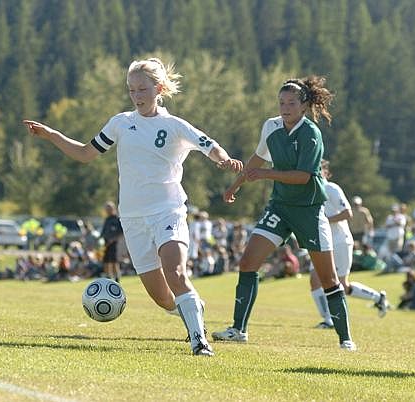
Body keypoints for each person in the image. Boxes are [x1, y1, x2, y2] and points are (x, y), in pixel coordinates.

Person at [23, 57, 243, 356]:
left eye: (142, 89)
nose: (137, 96)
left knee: (176, 272)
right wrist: (51, 135)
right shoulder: (121, 123)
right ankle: (193, 310)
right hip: (132, 218)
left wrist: (224, 160)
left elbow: (211, 146)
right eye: (132, 90)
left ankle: (198, 341)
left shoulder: (174, 125)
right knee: (162, 298)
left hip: (168, 211)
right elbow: (86, 154)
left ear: (159, 89)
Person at [212, 76, 356, 351]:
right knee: (247, 262)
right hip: (279, 207)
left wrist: (266, 174)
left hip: (309, 211)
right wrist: (234, 185)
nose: (285, 108)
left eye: (291, 103)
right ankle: (238, 330)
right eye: (281, 103)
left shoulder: (311, 133)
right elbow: (256, 160)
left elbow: (303, 177)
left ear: (303, 106)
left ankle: (345, 339)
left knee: (328, 279)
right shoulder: (271, 126)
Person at [309, 160, 389, 330]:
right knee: (315, 279)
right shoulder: (311, 190)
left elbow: (347, 213)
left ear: (325, 172)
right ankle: (328, 319)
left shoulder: (331, 188)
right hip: (323, 242)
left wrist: (325, 221)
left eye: (318, 168)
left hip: (341, 241)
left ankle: (378, 298)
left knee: (342, 285)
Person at [100, 201, 123, 281]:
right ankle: (108, 278)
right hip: (106, 244)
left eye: (109, 208)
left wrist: (113, 239)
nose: (108, 210)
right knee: (106, 261)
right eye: (107, 209)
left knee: (114, 261)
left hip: (113, 244)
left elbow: (121, 232)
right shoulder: (107, 220)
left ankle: (117, 279)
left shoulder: (117, 219)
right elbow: (103, 232)